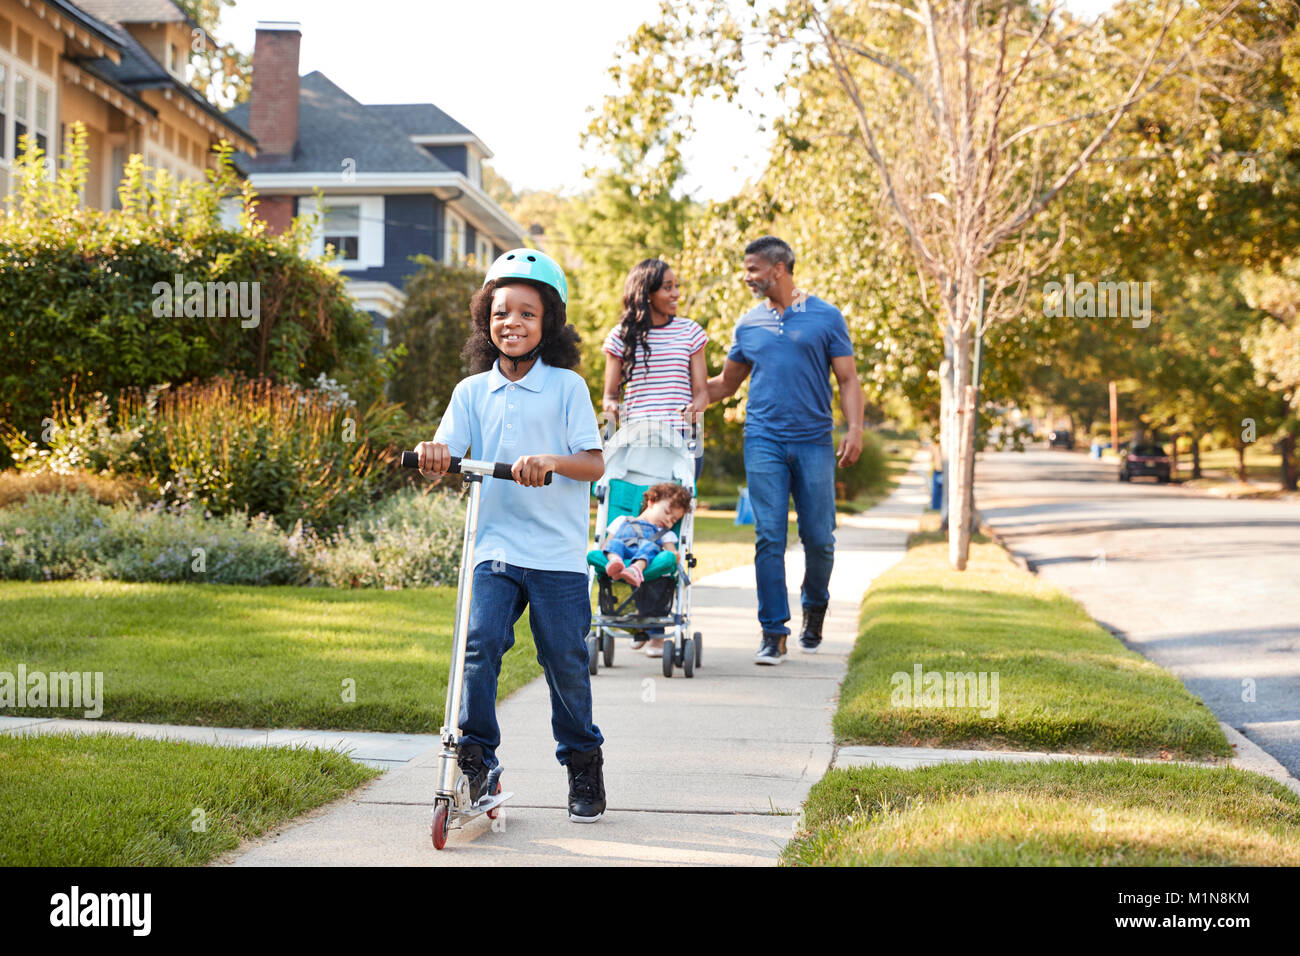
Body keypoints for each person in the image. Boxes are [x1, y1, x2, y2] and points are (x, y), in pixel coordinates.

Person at [413, 248, 608, 823]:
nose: (512, 324)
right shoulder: (471, 392)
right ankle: (476, 762)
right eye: (501, 312)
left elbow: (594, 463)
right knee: (479, 644)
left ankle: (583, 763)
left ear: (548, 323)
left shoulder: (567, 387)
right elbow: (447, 452)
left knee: (564, 659)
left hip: (557, 553)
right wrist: (433, 453)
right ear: (485, 319)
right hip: (494, 547)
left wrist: (551, 460)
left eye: (526, 313)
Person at [705, 236, 865, 665]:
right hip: (763, 439)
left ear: (779, 268)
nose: (747, 277)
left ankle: (815, 607)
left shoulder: (826, 317)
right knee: (768, 536)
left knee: (819, 538)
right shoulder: (748, 324)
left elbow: (848, 379)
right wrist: (680, 394)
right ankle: (773, 631)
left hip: (814, 440)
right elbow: (726, 384)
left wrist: (855, 429)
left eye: (753, 268)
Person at [602, 259, 709, 656]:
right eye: (668, 287)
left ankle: (654, 627)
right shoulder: (622, 337)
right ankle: (639, 626)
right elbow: (610, 394)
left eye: (677, 286)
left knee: (665, 533)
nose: (676, 293)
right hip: (634, 450)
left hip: (677, 448)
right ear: (647, 293)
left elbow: (702, 392)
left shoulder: (690, 332)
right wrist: (612, 411)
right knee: (630, 529)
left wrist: (694, 410)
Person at [600, 482, 692, 587]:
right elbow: (605, 546)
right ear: (652, 502)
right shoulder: (622, 520)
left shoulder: (665, 533)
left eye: (673, 521)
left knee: (650, 547)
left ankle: (635, 569)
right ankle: (615, 562)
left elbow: (672, 555)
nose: (668, 520)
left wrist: (675, 555)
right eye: (666, 512)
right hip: (622, 552)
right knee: (615, 543)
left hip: (645, 558)